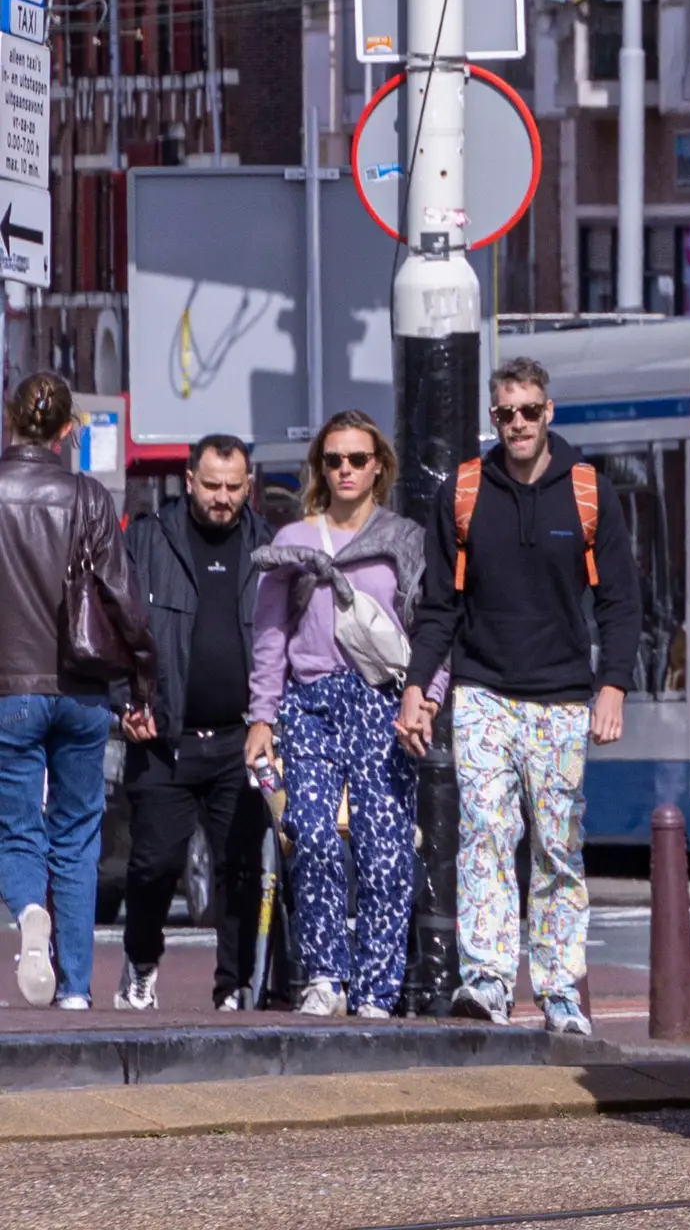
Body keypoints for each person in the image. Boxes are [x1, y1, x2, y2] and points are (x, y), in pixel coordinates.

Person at [400, 360, 633, 1036]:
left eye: (529, 411)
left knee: (558, 848)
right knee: (484, 836)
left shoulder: (589, 492)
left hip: (562, 698)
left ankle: (561, 991)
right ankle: (489, 982)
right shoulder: (465, 492)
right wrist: (420, 688)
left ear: (549, 411)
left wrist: (611, 685)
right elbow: (438, 606)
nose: (519, 425)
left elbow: (621, 602)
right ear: (493, 418)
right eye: (506, 414)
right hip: (482, 694)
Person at [251, 412, 424, 1019]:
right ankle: (325, 974)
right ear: (320, 469)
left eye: (357, 458)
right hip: (311, 701)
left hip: (381, 703)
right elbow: (271, 633)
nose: (345, 470)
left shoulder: (404, 538)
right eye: (334, 460)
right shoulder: (294, 540)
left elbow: (428, 631)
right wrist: (262, 717)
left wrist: (424, 699)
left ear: (379, 465)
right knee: (315, 837)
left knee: (385, 850)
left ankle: (377, 988)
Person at [0, 369, 151, 1008]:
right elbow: (123, 597)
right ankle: (76, 989)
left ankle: (30, 910)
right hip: (83, 688)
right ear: (67, 430)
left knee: (16, 829)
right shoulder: (88, 497)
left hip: (10, 687)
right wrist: (141, 682)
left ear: (11, 421)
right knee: (79, 832)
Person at [117, 433, 269, 1010]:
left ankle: (232, 986)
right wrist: (125, 701)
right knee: (155, 863)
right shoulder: (149, 541)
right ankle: (141, 962)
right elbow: (116, 629)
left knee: (240, 868)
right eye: (211, 485)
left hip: (240, 737)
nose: (222, 498)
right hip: (164, 737)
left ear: (248, 486)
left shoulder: (266, 546)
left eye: (233, 487)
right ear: (189, 481)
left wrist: (271, 719)